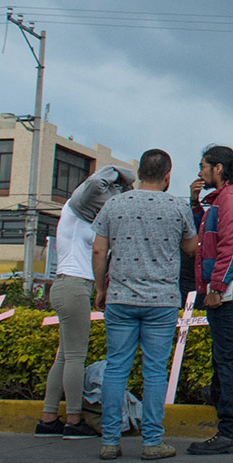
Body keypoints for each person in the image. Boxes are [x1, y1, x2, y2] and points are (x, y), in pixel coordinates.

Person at [92, 148, 198, 461]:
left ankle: (110, 440)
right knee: (154, 372)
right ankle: (152, 442)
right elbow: (192, 246)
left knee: (116, 368)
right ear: (168, 175)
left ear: (139, 173)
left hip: (120, 299)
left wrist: (100, 289)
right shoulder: (177, 207)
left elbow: (99, 251)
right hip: (162, 302)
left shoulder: (115, 204)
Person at [35, 165, 134, 439]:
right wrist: (117, 172)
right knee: (76, 357)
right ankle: (74, 421)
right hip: (75, 286)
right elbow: (94, 184)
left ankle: (48, 419)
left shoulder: (83, 219)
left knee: (64, 356)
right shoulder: (76, 206)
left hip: (67, 285)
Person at [188, 144, 233, 456]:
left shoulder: (230, 198)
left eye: (204, 166)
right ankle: (218, 396)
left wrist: (216, 287)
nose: (200, 171)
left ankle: (230, 431)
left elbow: (230, 244)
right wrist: (195, 205)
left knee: (227, 359)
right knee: (223, 357)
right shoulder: (231, 195)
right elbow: (206, 238)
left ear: (218, 168)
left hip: (228, 290)